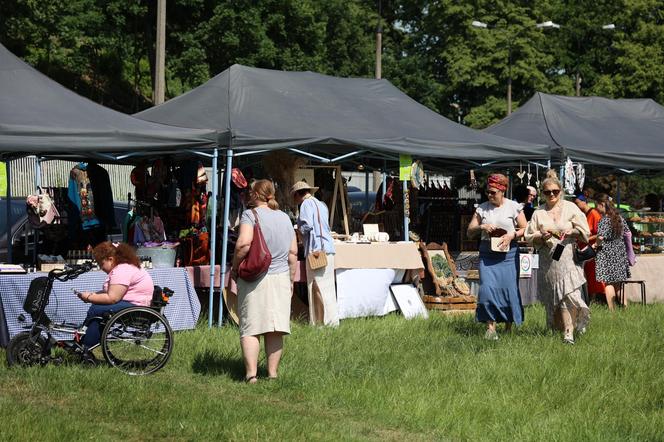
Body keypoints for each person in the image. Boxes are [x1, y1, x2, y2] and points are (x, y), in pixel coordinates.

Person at [231, 179, 297, 384]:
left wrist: (234, 267)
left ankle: (251, 375)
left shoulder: (250, 215)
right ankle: (272, 375)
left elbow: (243, 244)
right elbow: (293, 252)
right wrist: (291, 279)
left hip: (255, 279)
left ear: (254, 195)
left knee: (251, 327)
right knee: (275, 328)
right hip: (280, 278)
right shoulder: (285, 217)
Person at [525, 170, 591, 345]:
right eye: (547, 192)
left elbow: (585, 231)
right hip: (549, 261)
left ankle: (569, 333)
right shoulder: (538, 213)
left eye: (555, 191)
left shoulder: (571, 208)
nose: (552, 195)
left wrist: (573, 231)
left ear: (560, 191)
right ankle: (562, 329)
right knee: (554, 300)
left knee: (568, 294)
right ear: (542, 194)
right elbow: (529, 236)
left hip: (567, 257)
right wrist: (541, 235)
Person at [467, 173, 527, 340]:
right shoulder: (482, 208)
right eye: (488, 192)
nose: (490, 195)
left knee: (509, 289)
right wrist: (481, 227)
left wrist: (511, 235)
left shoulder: (514, 207)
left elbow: (525, 228)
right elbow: (469, 231)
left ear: (502, 191)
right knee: (487, 288)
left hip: (509, 254)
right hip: (488, 254)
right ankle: (490, 328)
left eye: (493, 192)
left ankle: (508, 328)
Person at [77, 241, 154, 349]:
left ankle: (85, 345)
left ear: (111, 259)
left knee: (95, 310)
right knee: (97, 310)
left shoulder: (122, 270)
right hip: (132, 303)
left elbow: (112, 298)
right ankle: (84, 344)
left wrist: (89, 297)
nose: (101, 267)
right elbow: (112, 292)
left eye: (101, 264)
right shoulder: (123, 268)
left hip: (135, 305)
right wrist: (93, 295)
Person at [290, 181, 338, 327]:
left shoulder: (305, 205)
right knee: (328, 288)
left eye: (294, 196)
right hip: (328, 249)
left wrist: (296, 229)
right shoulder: (321, 204)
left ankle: (320, 323)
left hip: (315, 251)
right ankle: (329, 322)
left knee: (316, 286)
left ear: (299, 194)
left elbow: (307, 226)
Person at [594, 193, 631, 310]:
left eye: (597, 205)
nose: (596, 208)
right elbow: (628, 233)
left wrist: (595, 245)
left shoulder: (604, 220)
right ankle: (625, 309)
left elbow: (600, 238)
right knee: (619, 284)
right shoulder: (619, 218)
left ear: (602, 204)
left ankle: (612, 311)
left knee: (608, 282)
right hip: (620, 251)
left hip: (607, 253)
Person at [573, 194, 606, 304]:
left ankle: (595, 299)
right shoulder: (584, 214)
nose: (576, 206)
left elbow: (600, 233)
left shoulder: (594, 214)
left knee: (593, 276)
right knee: (588, 275)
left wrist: (585, 238)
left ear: (584, 202)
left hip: (592, 250)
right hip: (585, 250)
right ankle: (590, 299)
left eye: (577, 203)